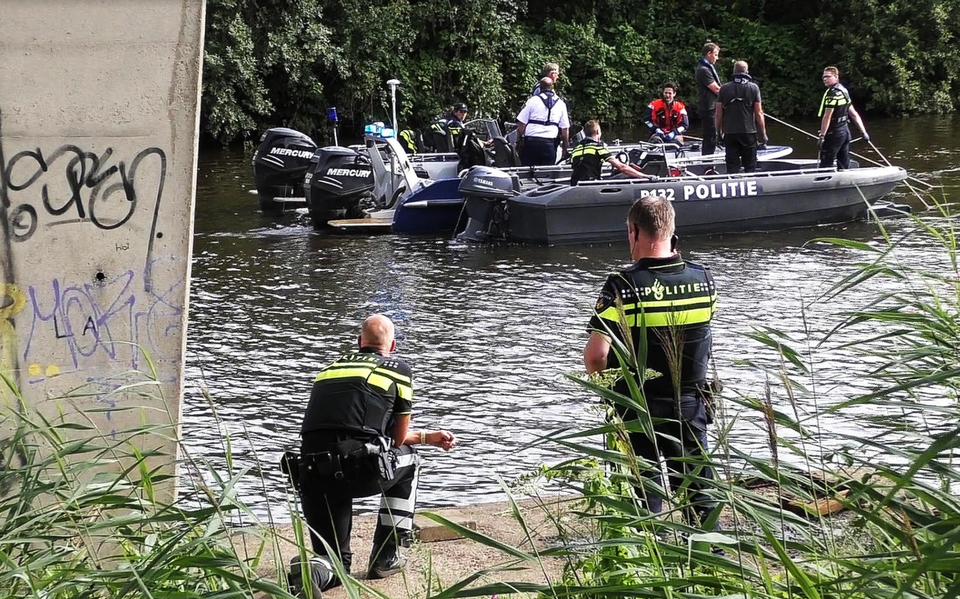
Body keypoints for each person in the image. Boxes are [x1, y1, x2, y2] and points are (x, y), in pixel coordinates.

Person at [292, 314, 457, 593]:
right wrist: (427, 439)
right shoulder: (397, 369)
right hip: (358, 471)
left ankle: (312, 574)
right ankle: (386, 555)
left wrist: (429, 436)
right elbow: (397, 439)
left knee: (335, 564)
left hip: (311, 472)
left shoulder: (329, 370)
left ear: (359, 342)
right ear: (392, 346)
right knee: (410, 458)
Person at [583, 197, 718, 526]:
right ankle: (709, 560)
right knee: (698, 492)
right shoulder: (705, 281)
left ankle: (647, 559)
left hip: (638, 406)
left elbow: (596, 356)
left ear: (634, 231)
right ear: (672, 231)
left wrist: (613, 394)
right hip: (691, 404)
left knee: (643, 496)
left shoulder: (622, 286)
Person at [715, 60, 767, 173]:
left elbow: (718, 114)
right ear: (746, 71)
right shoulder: (754, 88)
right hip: (748, 133)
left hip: (729, 133)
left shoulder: (724, 88)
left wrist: (718, 133)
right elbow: (759, 113)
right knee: (750, 166)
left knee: (732, 167)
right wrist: (763, 135)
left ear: (734, 71)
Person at [818, 66, 869, 170]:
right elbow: (853, 114)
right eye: (823, 77)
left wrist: (822, 136)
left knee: (826, 164)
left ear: (836, 77)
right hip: (845, 132)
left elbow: (827, 116)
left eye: (828, 76)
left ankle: (824, 182)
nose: (825, 79)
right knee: (843, 162)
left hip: (834, 133)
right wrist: (863, 132)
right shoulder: (843, 91)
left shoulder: (832, 94)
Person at [570, 120, 648, 185]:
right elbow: (622, 167)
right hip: (591, 185)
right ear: (597, 132)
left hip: (575, 184)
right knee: (625, 175)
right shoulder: (598, 147)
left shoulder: (576, 148)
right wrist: (644, 176)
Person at [516, 77, 570, 166]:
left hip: (531, 142)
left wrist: (519, 141)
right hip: (550, 143)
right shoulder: (561, 104)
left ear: (540, 87)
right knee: (546, 172)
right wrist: (565, 147)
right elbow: (565, 130)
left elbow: (522, 124)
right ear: (552, 87)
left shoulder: (532, 101)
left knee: (526, 171)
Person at [695, 43, 722, 155]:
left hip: (713, 106)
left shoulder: (708, 68)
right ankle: (707, 160)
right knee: (710, 135)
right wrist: (731, 94)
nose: (717, 57)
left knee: (714, 134)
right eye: (715, 55)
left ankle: (711, 154)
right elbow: (715, 89)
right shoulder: (703, 70)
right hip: (708, 107)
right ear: (708, 53)